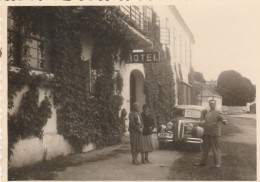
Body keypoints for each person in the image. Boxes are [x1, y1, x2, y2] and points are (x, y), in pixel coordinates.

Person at [196, 99, 227, 168]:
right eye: (210, 104)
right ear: (209, 104)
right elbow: (206, 120)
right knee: (205, 149)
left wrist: (224, 121)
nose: (211, 105)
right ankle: (202, 163)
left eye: (213, 104)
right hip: (206, 132)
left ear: (215, 104)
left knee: (216, 148)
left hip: (214, 133)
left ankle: (217, 164)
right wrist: (202, 123)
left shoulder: (218, 112)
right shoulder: (208, 112)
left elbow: (222, 118)